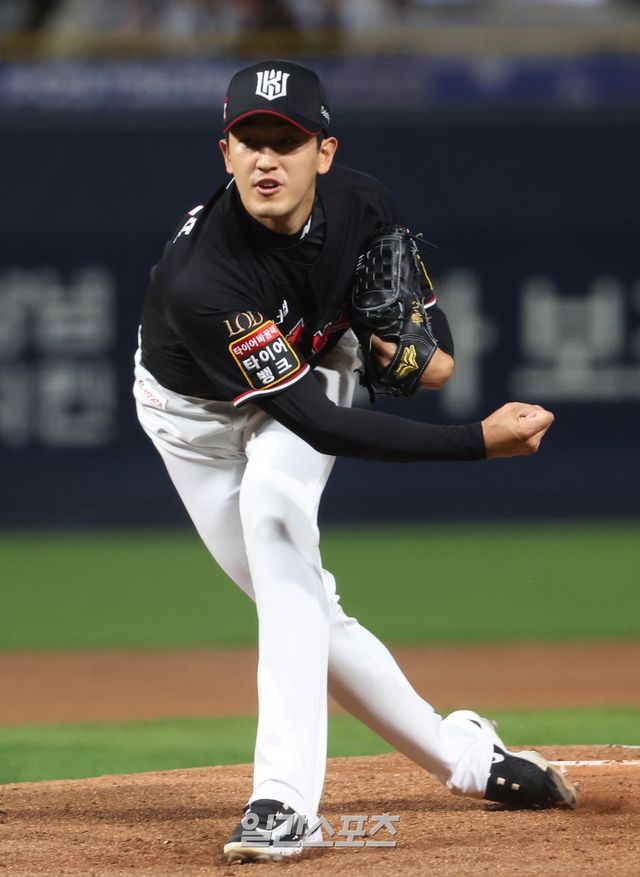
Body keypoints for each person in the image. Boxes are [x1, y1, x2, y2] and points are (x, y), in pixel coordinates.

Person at [134, 59, 576, 864]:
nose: (266, 159)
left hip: (314, 364)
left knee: (276, 531)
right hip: (190, 420)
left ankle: (281, 801)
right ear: (225, 153)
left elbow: (433, 351)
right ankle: (468, 756)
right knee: (307, 603)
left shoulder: (363, 205)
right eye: (249, 141)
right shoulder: (206, 278)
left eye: (286, 141)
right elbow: (320, 424)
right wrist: (477, 439)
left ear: (324, 152)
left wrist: (414, 353)